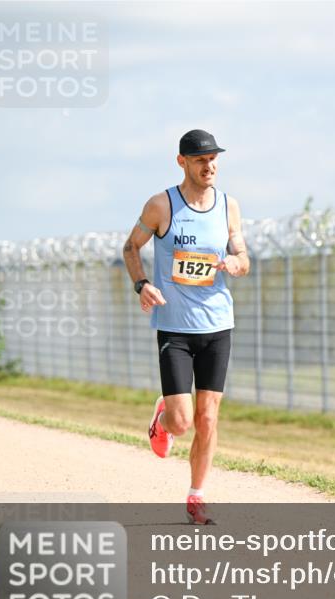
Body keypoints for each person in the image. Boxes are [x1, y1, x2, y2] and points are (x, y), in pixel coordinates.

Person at [121, 129, 249, 525]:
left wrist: (235, 264)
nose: (209, 166)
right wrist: (142, 284)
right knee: (183, 420)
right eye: (200, 160)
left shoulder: (228, 206)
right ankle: (163, 421)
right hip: (175, 329)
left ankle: (197, 496)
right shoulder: (162, 205)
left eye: (213, 159)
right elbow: (131, 247)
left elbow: (243, 256)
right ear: (182, 162)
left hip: (217, 325)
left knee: (208, 417)